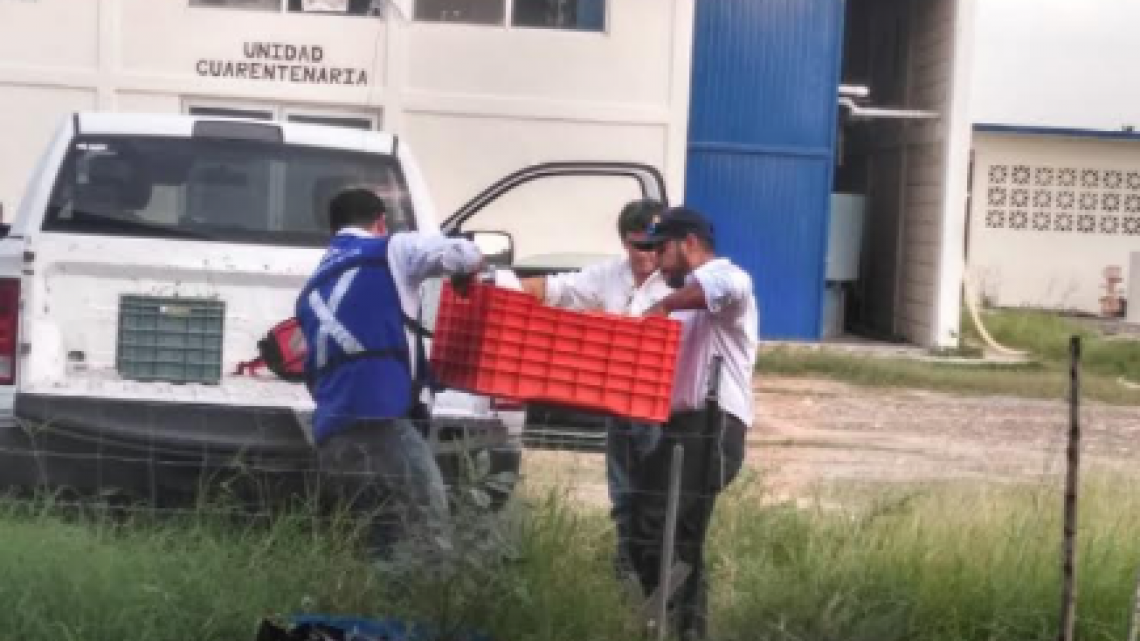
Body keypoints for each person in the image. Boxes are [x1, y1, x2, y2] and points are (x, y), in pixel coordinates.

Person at [295, 187, 484, 555]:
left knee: (377, 541)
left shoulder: (312, 287)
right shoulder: (390, 250)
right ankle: (425, 606)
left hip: (332, 433)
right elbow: (462, 254)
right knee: (428, 530)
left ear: (333, 231)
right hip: (380, 420)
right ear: (380, 222)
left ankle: (376, 607)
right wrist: (473, 267)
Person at [519, 199, 673, 583]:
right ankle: (626, 579)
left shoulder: (678, 280)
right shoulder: (607, 277)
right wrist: (502, 286)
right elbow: (559, 289)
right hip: (619, 406)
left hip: (661, 409)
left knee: (658, 499)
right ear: (625, 242)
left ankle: (659, 578)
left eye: (655, 247)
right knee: (624, 498)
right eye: (640, 246)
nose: (648, 256)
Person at [631, 206, 759, 640]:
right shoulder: (684, 301)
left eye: (661, 249)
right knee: (666, 532)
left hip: (713, 426)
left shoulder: (727, 280)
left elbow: (728, 286)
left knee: (655, 525)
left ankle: (663, 619)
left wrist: (664, 304)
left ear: (688, 244)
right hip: (681, 425)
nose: (654, 260)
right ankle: (683, 627)